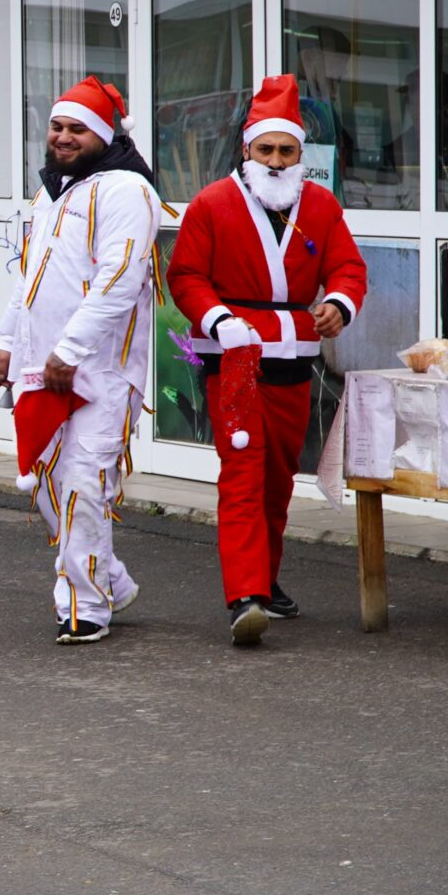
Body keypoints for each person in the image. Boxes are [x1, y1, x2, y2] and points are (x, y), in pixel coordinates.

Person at [166, 75, 367, 647]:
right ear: (246, 150)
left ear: (302, 154)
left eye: (287, 151)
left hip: (295, 359)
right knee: (243, 475)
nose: (276, 161)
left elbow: (349, 268)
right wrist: (219, 320)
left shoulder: (320, 205)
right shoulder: (211, 204)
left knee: (278, 479)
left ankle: (266, 580)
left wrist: (337, 303)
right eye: (266, 150)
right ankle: (245, 596)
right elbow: (185, 277)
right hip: (233, 360)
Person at [0, 76, 161, 645]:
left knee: (85, 482)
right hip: (43, 364)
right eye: (58, 126)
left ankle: (85, 607)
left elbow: (120, 279)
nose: (64, 137)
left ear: (105, 136)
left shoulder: (127, 191)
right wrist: (8, 339)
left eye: (78, 129)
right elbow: (29, 276)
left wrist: (70, 349)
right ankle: (109, 576)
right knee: (46, 482)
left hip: (103, 369)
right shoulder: (51, 191)